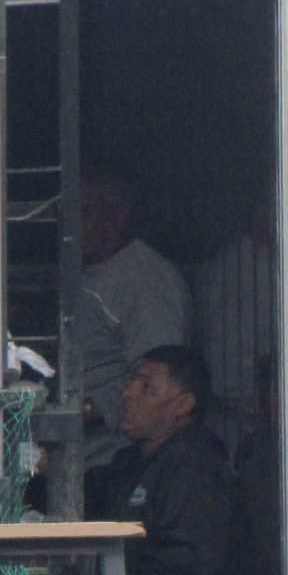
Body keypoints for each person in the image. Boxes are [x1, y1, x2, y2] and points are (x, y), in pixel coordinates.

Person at [89, 347, 254, 575]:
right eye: (132, 381)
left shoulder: (195, 468)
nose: (128, 393)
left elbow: (189, 566)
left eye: (145, 386)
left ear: (183, 405)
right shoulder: (130, 464)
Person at [78, 174, 192, 462]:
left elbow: (159, 378)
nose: (71, 225)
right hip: (75, 457)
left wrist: (81, 411)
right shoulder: (84, 270)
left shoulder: (146, 281)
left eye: (84, 212)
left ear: (117, 215)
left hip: (115, 458)